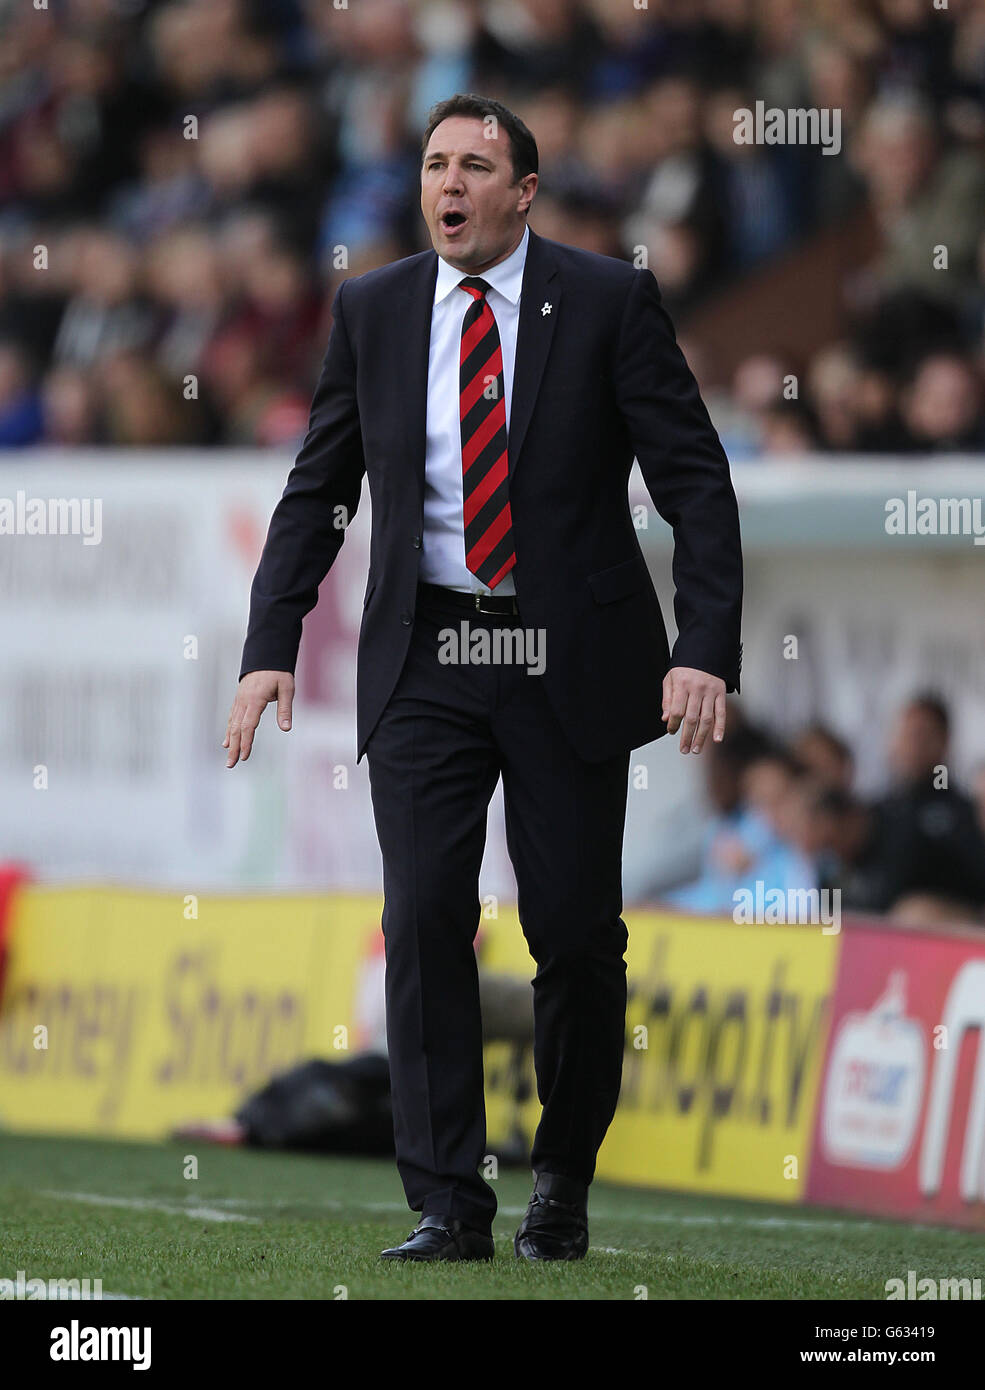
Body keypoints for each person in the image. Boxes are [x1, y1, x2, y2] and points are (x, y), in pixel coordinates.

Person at [224, 93, 743, 1263]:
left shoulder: (609, 301)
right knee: (421, 920)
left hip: (563, 655)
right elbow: (321, 488)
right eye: (432, 165)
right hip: (429, 654)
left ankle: (560, 1175)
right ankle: (448, 1202)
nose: (448, 184)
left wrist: (703, 643)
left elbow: (694, 480)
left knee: (571, 937)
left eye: (474, 165)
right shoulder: (371, 308)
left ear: (524, 191)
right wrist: (269, 646)